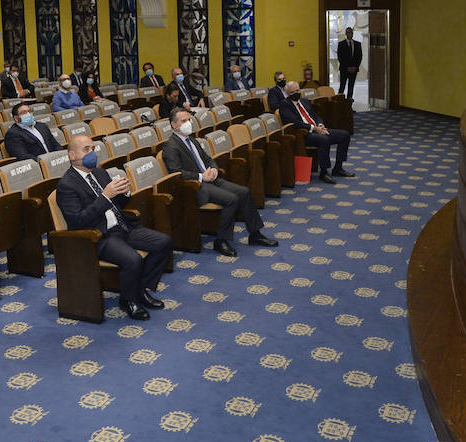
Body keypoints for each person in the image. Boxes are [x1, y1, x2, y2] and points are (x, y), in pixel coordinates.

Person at [55, 133, 171, 320]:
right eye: (86, 150)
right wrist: (106, 197)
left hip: (122, 226)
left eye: (93, 149)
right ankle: (129, 301)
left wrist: (124, 194)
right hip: (99, 235)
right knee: (133, 260)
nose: (92, 153)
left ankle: (140, 290)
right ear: (71, 155)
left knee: (163, 242)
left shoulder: (100, 173)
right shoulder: (67, 185)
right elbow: (78, 221)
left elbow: (116, 205)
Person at [162, 108, 277, 257]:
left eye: (189, 120)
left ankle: (255, 234)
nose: (188, 123)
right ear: (173, 125)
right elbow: (176, 173)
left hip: (210, 179)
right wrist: (202, 176)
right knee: (232, 199)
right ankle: (221, 240)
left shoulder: (193, 140)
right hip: (195, 187)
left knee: (244, 192)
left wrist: (214, 169)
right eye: (184, 121)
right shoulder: (170, 146)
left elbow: (208, 159)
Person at [280, 82, 353, 183]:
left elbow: (315, 116)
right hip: (304, 134)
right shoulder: (285, 105)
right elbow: (295, 123)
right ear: (288, 94)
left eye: (297, 90)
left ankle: (338, 168)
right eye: (293, 92)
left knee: (344, 135)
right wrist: (314, 128)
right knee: (324, 139)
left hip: (317, 129)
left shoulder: (304, 101)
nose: (296, 93)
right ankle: (324, 172)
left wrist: (320, 125)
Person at [337, 27, 363, 99]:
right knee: (342, 87)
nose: (349, 34)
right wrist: (347, 67)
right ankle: (339, 105)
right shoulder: (341, 44)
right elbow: (340, 57)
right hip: (344, 69)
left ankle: (348, 106)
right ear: (346, 34)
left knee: (351, 88)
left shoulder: (357, 44)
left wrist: (355, 67)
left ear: (352, 34)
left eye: (351, 32)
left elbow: (359, 57)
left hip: (354, 70)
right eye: (348, 32)